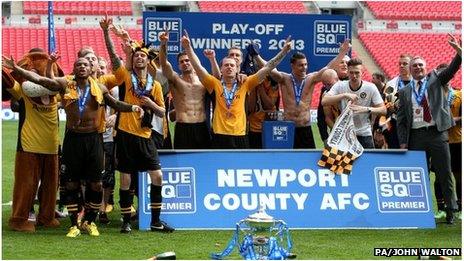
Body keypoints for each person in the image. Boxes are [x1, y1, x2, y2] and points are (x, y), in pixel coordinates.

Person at [3, 55, 144, 237]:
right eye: (78, 64)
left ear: (90, 68)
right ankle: (73, 224)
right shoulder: (65, 84)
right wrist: (17, 69)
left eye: (85, 64)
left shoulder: (99, 87)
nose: (82, 67)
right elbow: (40, 80)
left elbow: (115, 103)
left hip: (93, 139)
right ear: (74, 68)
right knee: (71, 184)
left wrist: (133, 108)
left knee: (96, 184)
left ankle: (90, 221)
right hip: (73, 139)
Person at [100, 15, 174, 233]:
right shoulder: (124, 77)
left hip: (145, 135)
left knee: (157, 176)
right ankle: (125, 222)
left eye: (143, 56)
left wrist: (150, 103)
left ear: (147, 60)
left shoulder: (156, 85)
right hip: (124, 134)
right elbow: (114, 57)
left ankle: (155, 221)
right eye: (136, 56)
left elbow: (163, 112)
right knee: (125, 178)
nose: (139, 58)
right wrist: (106, 32)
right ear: (132, 60)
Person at [182, 30, 291, 149]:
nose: (229, 67)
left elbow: (269, 67)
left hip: (240, 135)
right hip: (219, 136)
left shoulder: (246, 83)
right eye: (226, 65)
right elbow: (198, 67)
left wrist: (284, 52)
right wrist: (188, 47)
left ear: (237, 69)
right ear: (221, 69)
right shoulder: (214, 84)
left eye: (232, 65)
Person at [396, 33, 461, 224]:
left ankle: (451, 210)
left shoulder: (435, 80)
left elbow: (452, 69)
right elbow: (401, 120)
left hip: (437, 134)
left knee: (444, 172)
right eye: (414, 66)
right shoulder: (405, 91)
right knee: (417, 175)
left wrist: (458, 53)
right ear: (409, 69)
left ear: (426, 68)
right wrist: (402, 142)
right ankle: (421, 210)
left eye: (420, 65)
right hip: (415, 136)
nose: (417, 68)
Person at [2, 50, 63, 232]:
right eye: (33, 74)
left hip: (52, 146)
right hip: (29, 145)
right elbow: (7, 81)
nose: (37, 78)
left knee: (51, 185)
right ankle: (19, 218)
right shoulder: (22, 91)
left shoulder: (57, 93)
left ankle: (47, 216)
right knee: (26, 184)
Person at [263, 40, 351, 148]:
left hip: (306, 129)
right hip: (288, 129)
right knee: (287, 160)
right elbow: (268, 68)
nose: (304, 67)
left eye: (305, 64)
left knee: (307, 160)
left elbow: (328, 68)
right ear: (292, 65)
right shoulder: (284, 79)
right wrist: (281, 52)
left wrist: (342, 53)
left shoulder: (311, 79)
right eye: (300, 65)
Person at [158, 30, 211, 149]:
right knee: (184, 164)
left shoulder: (202, 80)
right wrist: (163, 44)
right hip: (183, 127)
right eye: (181, 62)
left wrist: (188, 47)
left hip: (202, 127)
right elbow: (164, 64)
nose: (185, 63)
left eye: (187, 60)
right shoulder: (176, 79)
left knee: (204, 162)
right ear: (178, 65)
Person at [322, 58, 386, 148]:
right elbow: (324, 101)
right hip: (345, 134)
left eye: (357, 73)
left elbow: (383, 110)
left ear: (362, 73)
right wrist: (344, 95)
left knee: (367, 161)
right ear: (347, 72)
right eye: (351, 73)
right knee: (345, 162)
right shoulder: (340, 86)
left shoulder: (370, 87)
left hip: (364, 134)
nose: (354, 76)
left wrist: (365, 109)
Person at [317, 69, 340, 144]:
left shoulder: (347, 89)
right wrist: (337, 132)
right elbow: (327, 117)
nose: (327, 87)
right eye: (325, 85)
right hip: (336, 132)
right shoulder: (325, 94)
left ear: (337, 80)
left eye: (329, 84)